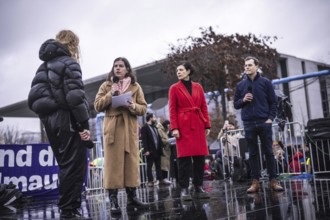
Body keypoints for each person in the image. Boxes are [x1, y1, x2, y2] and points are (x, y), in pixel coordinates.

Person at [28, 30, 91, 219]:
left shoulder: (42, 66)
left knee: (65, 165)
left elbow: (34, 98)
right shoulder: (70, 63)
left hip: (50, 121)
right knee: (75, 165)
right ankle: (69, 209)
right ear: (73, 44)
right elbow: (75, 97)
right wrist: (84, 123)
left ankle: (68, 208)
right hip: (66, 118)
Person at [94, 57, 148, 216]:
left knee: (131, 164)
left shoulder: (135, 86)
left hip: (129, 127)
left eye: (121, 66)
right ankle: (113, 201)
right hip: (113, 128)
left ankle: (132, 198)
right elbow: (97, 105)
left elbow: (143, 108)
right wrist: (110, 95)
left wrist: (133, 106)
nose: (117, 68)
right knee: (112, 166)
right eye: (115, 66)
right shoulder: (106, 85)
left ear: (127, 69)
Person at [234, 56, 283, 193]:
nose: (247, 67)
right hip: (249, 123)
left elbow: (273, 102)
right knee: (253, 154)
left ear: (256, 66)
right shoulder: (240, 85)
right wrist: (243, 99)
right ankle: (255, 182)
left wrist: (270, 119)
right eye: (245, 65)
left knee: (268, 151)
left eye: (250, 65)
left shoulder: (266, 83)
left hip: (264, 122)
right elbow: (236, 105)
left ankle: (273, 180)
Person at [168, 61, 211, 200]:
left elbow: (204, 106)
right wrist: (174, 127)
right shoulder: (174, 88)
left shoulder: (198, 87)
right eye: (177, 71)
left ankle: (198, 186)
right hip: (183, 126)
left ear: (188, 71)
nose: (178, 72)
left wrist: (207, 125)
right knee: (183, 159)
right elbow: (172, 109)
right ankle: (184, 188)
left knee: (199, 157)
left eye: (181, 70)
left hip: (198, 124)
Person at [140, 113, 169, 187]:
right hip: (150, 150)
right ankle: (150, 181)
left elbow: (158, 138)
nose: (155, 118)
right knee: (149, 166)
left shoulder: (155, 127)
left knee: (158, 166)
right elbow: (144, 140)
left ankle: (160, 179)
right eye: (154, 117)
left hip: (157, 150)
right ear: (150, 118)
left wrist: (161, 147)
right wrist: (146, 150)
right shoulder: (144, 127)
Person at [156, 120, 173, 185]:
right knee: (163, 165)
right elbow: (161, 140)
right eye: (168, 125)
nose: (169, 126)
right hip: (163, 150)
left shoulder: (165, 131)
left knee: (165, 165)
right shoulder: (160, 130)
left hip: (166, 150)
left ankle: (164, 178)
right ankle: (162, 178)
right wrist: (167, 141)